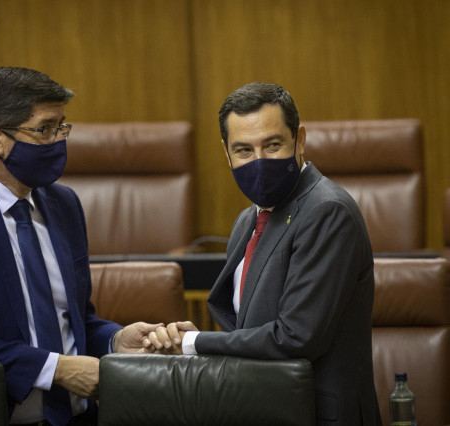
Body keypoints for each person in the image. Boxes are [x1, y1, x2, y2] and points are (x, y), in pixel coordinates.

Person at [0, 66, 160, 426]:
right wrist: (56, 370)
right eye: (44, 129)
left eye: (62, 126)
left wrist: (115, 340)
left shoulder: (63, 204)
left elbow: (73, 321)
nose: (59, 140)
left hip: (80, 417)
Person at [146, 82, 382, 425]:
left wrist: (194, 343)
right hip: (263, 406)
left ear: (299, 140)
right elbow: (251, 326)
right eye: (243, 150)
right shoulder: (249, 219)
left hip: (318, 414)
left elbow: (296, 337)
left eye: (272, 145)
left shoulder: (327, 211)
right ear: (226, 153)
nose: (258, 162)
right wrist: (198, 338)